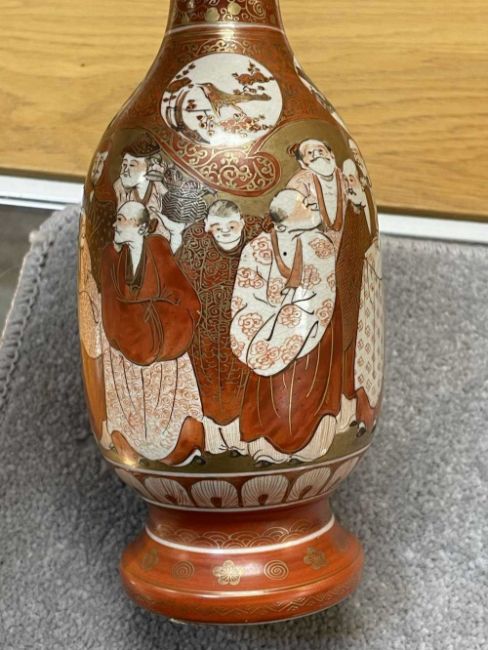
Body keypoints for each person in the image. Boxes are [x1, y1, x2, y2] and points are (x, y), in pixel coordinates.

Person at [230, 189, 343, 464]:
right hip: (267, 330)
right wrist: (276, 316)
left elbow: (322, 293)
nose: (311, 206)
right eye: (303, 206)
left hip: (309, 331)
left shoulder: (319, 245)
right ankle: (265, 446)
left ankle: (304, 447)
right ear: (282, 222)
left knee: (304, 387)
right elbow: (246, 297)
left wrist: (294, 314)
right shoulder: (257, 249)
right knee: (267, 390)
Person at [100, 201, 204, 465]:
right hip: (128, 348)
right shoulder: (115, 257)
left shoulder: (157, 248)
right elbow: (110, 300)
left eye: (122, 219)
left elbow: (180, 293)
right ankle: (137, 450)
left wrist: (152, 315)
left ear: (141, 227)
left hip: (163, 346)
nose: (116, 225)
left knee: (169, 406)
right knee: (133, 406)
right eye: (117, 218)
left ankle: (179, 450)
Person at [177, 199, 262, 456]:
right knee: (207, 385)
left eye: (231, 226)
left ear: (242, 223)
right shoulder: (195, 249)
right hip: (204, 335)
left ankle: (241, 441)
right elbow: (179, 286)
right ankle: (214, 442)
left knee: (242, 384)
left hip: (243, 332)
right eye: (217, 227)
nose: (224, 232)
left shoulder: (257, 245)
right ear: (206, 226)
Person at [335, 159, 375, 430]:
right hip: (347, 291)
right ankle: (349, 410)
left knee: (363, 353)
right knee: (347, 345)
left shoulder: (361, 208)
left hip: (365, 292)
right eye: (346, 180)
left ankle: (362, 412)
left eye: (353, 178)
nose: (350, 184)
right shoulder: (347, 210)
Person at [287, 138, 347, 251]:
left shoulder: (345, 177)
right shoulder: (300, 181)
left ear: (331, 154)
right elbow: (290, 213)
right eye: (310, 153)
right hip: (314, 244)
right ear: (302, 163)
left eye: (321, 150)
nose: (317, 155)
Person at [112, 134, 170, 239]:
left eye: (132, 165)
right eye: (124, 165)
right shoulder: (119, 187)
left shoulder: (159, 188)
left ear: (149, 167)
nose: (125, 171)